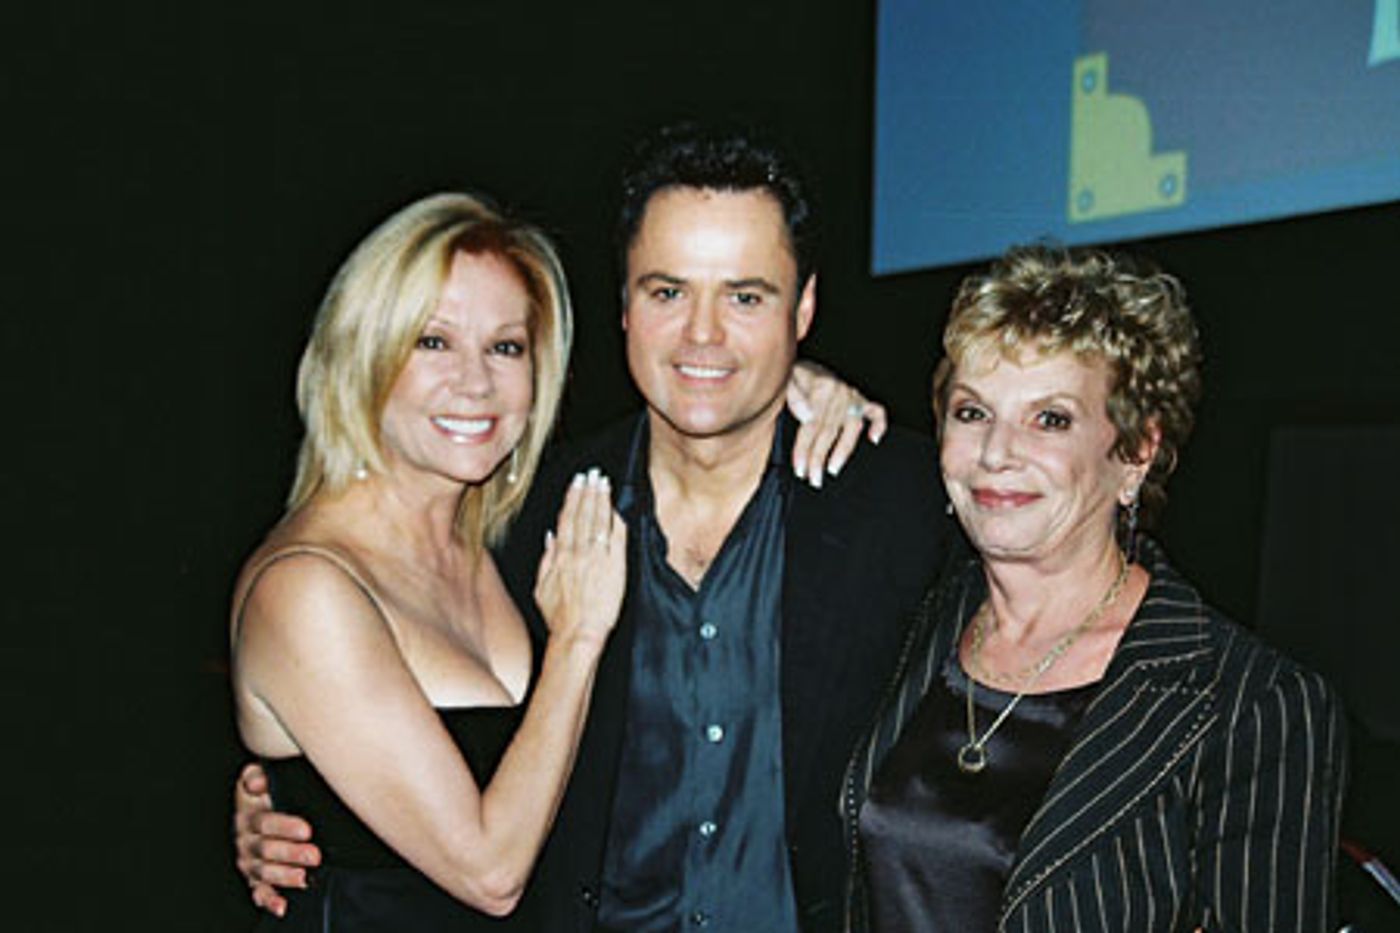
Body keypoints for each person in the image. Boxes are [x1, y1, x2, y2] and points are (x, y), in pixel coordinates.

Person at [237, 122, 954, 932]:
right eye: (668, 292)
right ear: (624, 307)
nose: (704, 333)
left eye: (746, 297)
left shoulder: (904, 503)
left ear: (804, 308)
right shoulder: (522, 523)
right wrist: (302, 798)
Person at [842, 246, 1347, 931]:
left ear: (1135, 452)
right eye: (972, 412)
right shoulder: (914, 617)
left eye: (1050, 419)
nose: (996, 452)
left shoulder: (1252, 702)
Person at [230, 191, 630, 929]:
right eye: (432, 341)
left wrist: (803, 389)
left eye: (505, 347)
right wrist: (577, 639)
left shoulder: (511, 541)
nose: (475, 382)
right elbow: (490, 872)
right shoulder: (306, 589)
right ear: (362, 353)